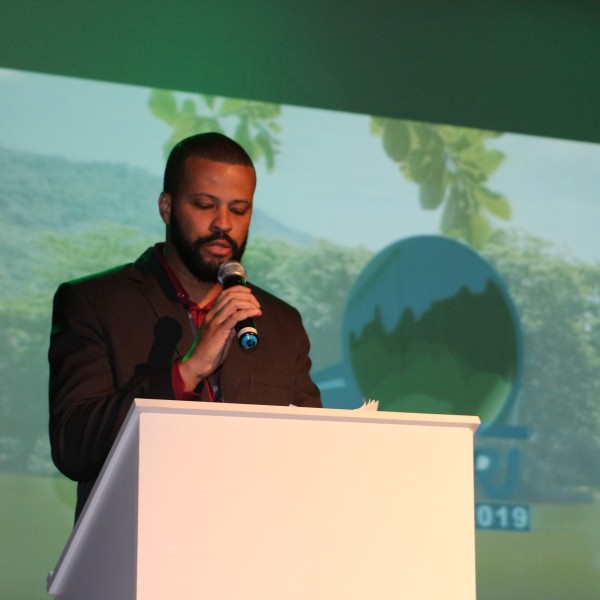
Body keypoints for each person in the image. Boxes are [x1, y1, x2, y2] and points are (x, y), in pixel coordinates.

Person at [48, 132, 321, 521]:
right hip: (138, 553)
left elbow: (313, 455)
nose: (223, 224)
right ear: (167, 206)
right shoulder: (95, 303)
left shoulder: (280, 322)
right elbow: (74, 447)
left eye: (239, 210)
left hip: (253, 553)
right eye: (205, 205)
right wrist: (189, 370)